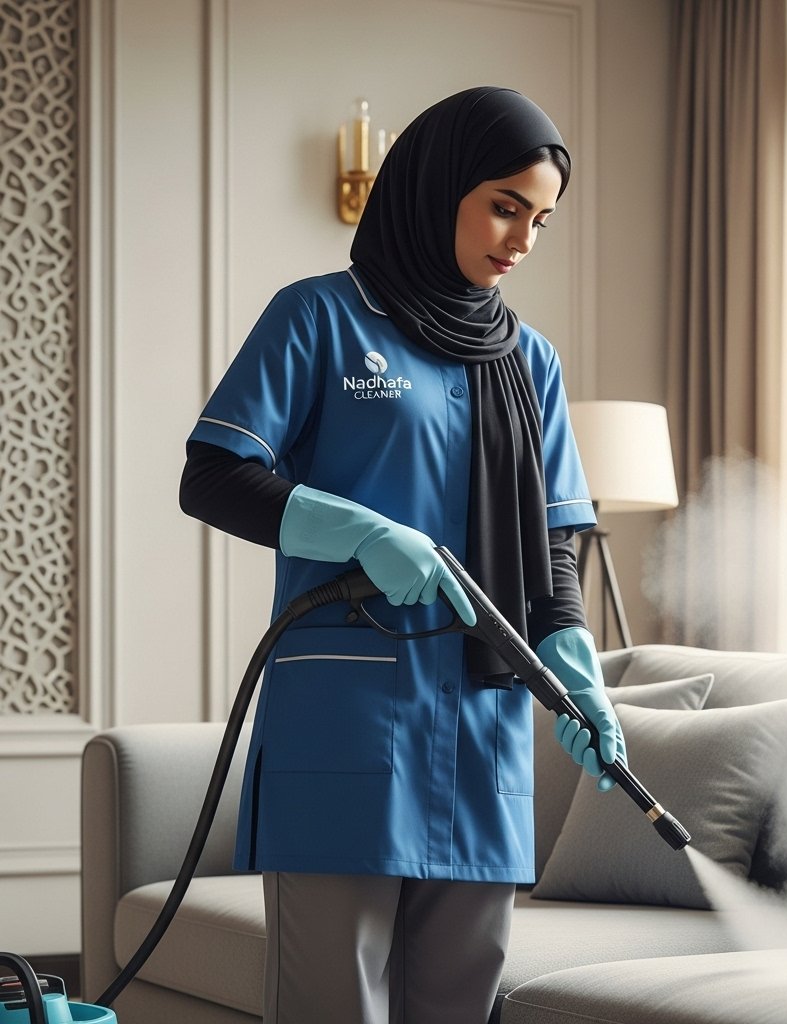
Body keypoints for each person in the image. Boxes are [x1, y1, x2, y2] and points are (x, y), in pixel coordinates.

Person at [179, 85, 626, 1024]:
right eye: (505, 205)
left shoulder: (527, 360)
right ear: (437, 187)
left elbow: (554, 535)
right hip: (347, 718)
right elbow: (214, 475)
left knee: (458, 1006)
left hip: (483, 726)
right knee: (334, 1006)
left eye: (540, 219)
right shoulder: (318, 319)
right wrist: (359, 531)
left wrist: (575, 658)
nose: (522, 239)